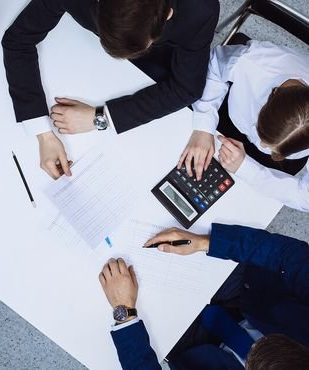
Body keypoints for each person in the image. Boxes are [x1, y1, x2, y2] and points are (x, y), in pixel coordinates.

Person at [2, 0, 219, 179]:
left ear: (168, 14)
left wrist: (100, 118)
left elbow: (187, 88)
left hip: (165, 58)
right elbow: (17, 41)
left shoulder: (199, 9)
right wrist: (42, 133)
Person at [98, 224, 309, 369]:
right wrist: (205, 242)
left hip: (196, 351)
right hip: (251, 293)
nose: (252, 347)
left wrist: (123, 311)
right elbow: (294, 255)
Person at [177, 40, 309, 211]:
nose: (262, 145)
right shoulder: (252, 62)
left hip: (275, 164)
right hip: (228, 115)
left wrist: (249, 171)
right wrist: (203, 126)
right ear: (274, 92)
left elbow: (305, 198)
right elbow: (214, 66)